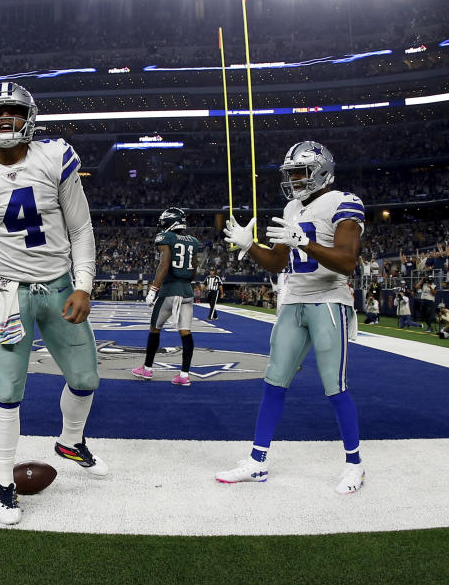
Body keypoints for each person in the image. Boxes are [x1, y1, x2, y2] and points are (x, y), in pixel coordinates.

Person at [0, 81, 105, 525]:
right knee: (8, 392)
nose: (4, 119)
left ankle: (70, 440)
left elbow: (81, 230)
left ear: (29, 116)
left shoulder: (55, 157)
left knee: (86, 378)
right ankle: (2, 486)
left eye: (12, 110)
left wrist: (84, 285)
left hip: (59, 284)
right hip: (9, 293)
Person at [218, 140, 366, 494]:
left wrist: (307, 243)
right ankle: (257, 461)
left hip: (329, 300)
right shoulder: (292, 207)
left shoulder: (345, 202)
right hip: (294, 300)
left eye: (300, 172)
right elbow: (277, 262)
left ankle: (355, 465)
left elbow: (347, 262)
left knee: (335, 386)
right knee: (274, 380)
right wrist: (249, 244)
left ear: (321, 171)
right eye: (292, 173)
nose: (295, 179)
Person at [131, 207, 200, 386]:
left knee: (155, 328)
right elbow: (193, 270)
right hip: (187, 292)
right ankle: (184, 375)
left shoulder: (166, 237)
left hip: (170, 290)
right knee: (186, 332)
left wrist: (153, 289)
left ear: (169, 222)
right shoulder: (193, 241)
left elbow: (164, 264)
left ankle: (147, 369)